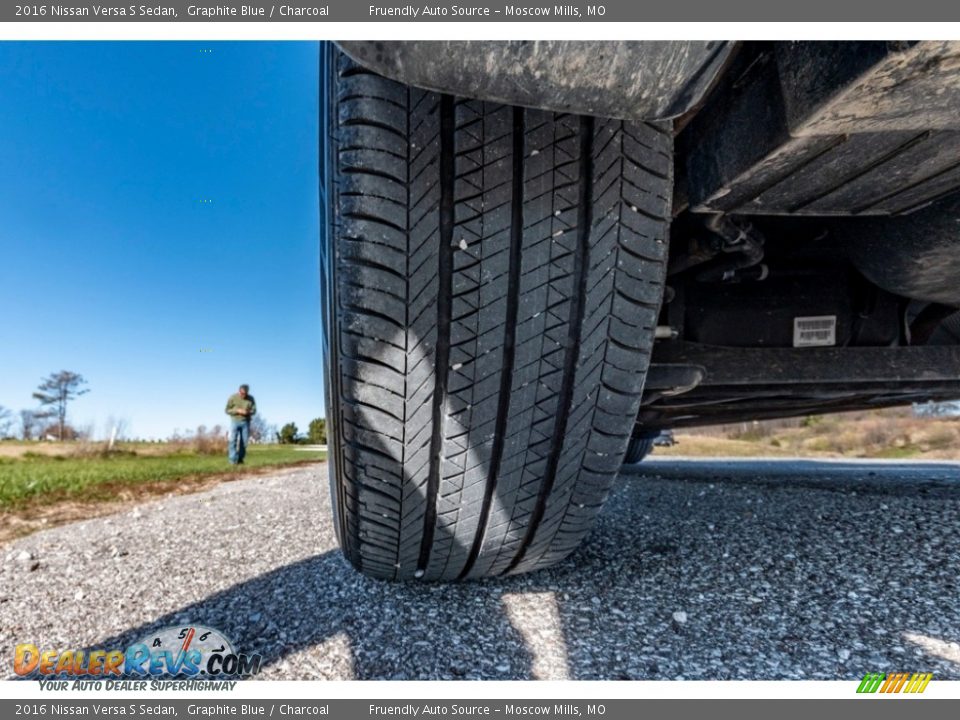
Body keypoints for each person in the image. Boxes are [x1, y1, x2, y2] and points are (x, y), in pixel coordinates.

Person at [225, 384, 256, 464]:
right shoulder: (232, 397)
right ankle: (232, 460)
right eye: (241, 393)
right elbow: (227, 410)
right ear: (239, 391)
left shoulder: (251, 399)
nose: (243, 395)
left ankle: (240, 459)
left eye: (245, 394)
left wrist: (248, 412)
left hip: (246, 422)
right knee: (233, 440)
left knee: (244, 442)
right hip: (234, 421)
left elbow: (254, 410)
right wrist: (237, 411)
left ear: (247, 392)